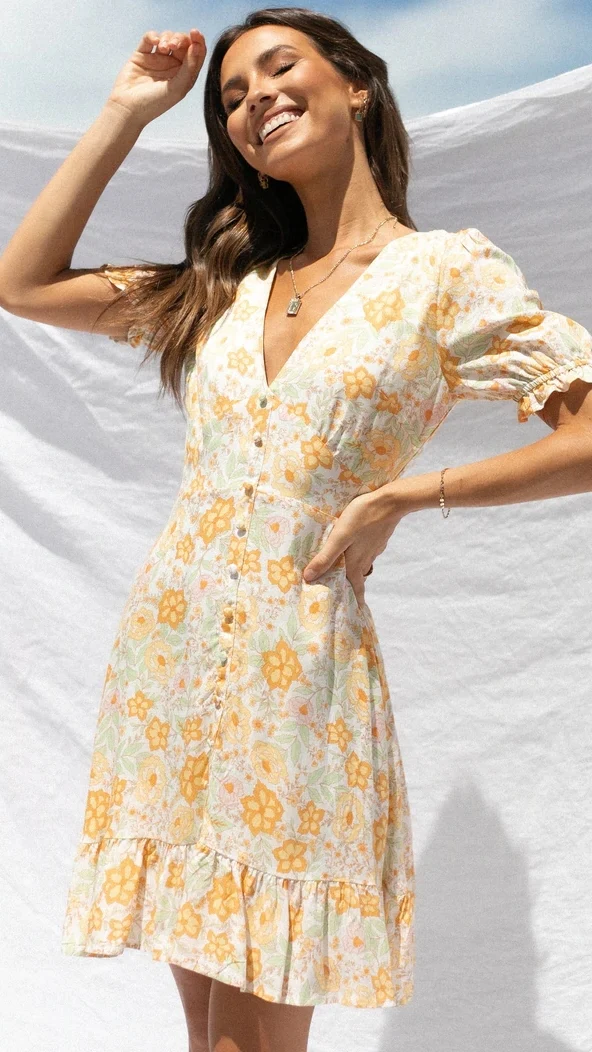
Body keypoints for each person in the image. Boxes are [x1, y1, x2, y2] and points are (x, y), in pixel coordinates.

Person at [2, 8, 592, 1052]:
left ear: (357, 84)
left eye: (279, 68)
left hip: (298, 676)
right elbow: (24, 284)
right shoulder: (225, 286)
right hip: (172, 665)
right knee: (208, 1034)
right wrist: (130, 110)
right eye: (232, 97)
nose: (255, 100)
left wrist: (407, 495)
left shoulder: (443, 274)